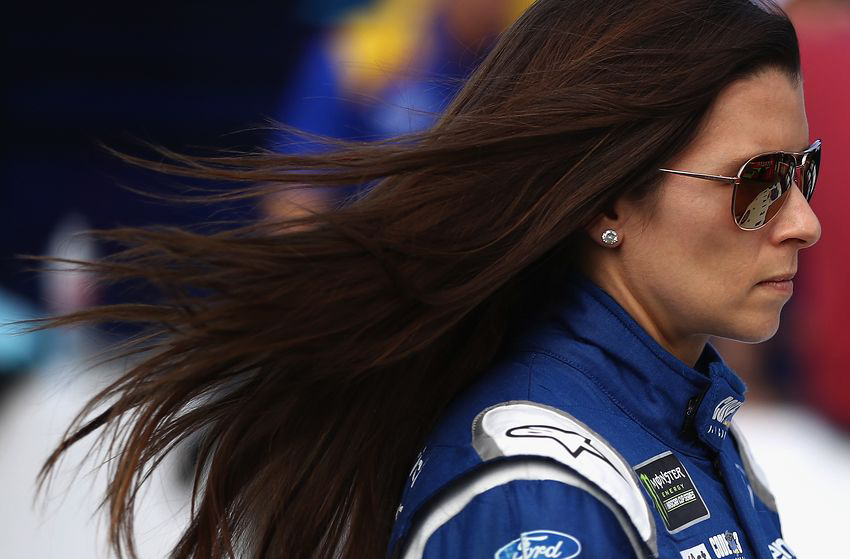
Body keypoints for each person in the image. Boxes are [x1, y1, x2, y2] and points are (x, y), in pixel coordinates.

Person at [27, 0, 820, 558]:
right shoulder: (539, 496)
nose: (804, 222)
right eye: (757, 182)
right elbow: (294, 203)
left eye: (803, 172)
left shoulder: (695, 422)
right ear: (607, 199)